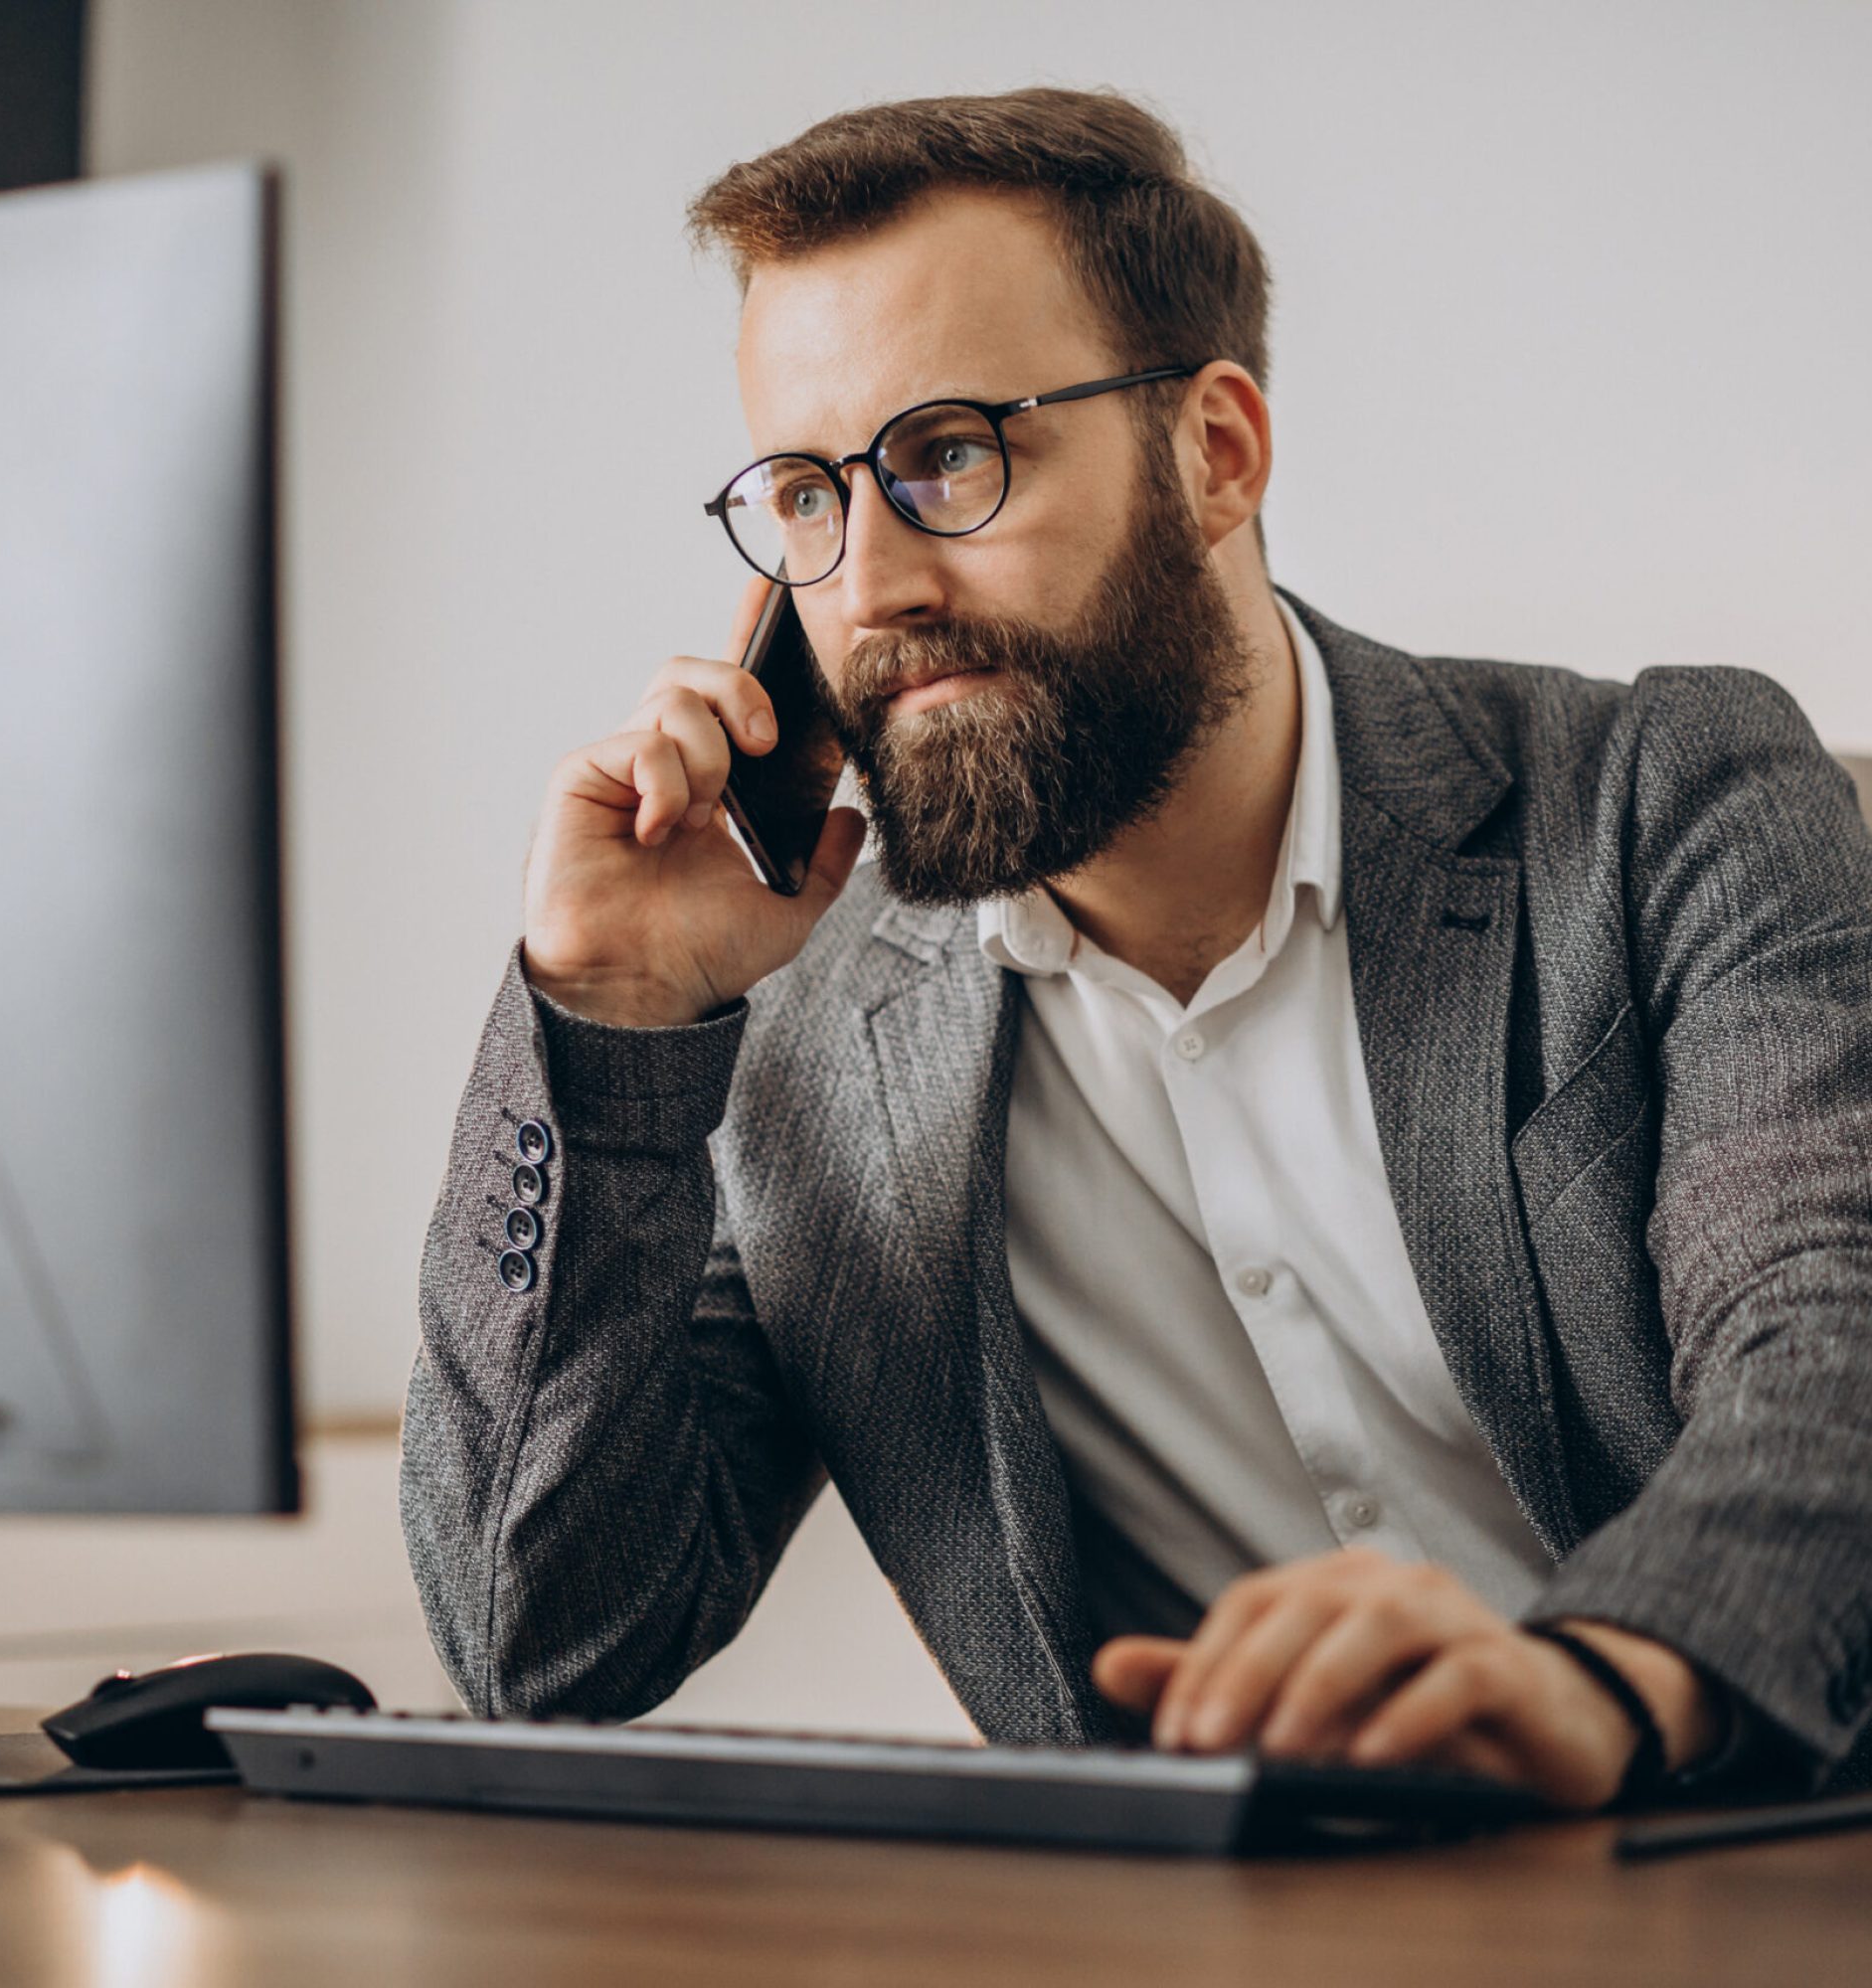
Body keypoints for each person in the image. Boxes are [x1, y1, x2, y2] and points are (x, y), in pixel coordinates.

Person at [401, 87, 1872, 1809]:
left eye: (945, 455)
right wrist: (612, 1022)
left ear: (1218, 453)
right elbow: (543, 1639)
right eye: (805, 496)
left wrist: (1604, 1687)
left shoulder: (1660, 805)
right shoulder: (796, 1014)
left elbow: (1829, 1327)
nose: (866, 587)